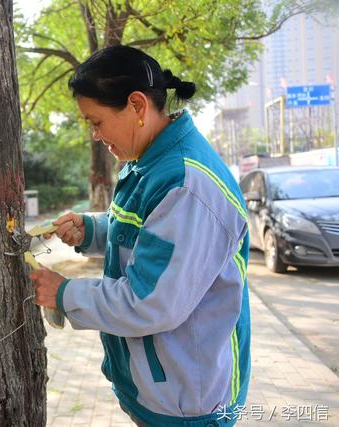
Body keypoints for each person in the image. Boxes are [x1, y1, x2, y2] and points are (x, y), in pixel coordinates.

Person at [30, 45, 250, 427]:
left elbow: (150, 302)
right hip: (157, 385)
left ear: (136, 106)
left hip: (187, 403)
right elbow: (151, 237)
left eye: (96, 122)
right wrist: (93, 229)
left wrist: (64, 294)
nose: (96, 135)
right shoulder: (148, 162)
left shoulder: (185, 184)